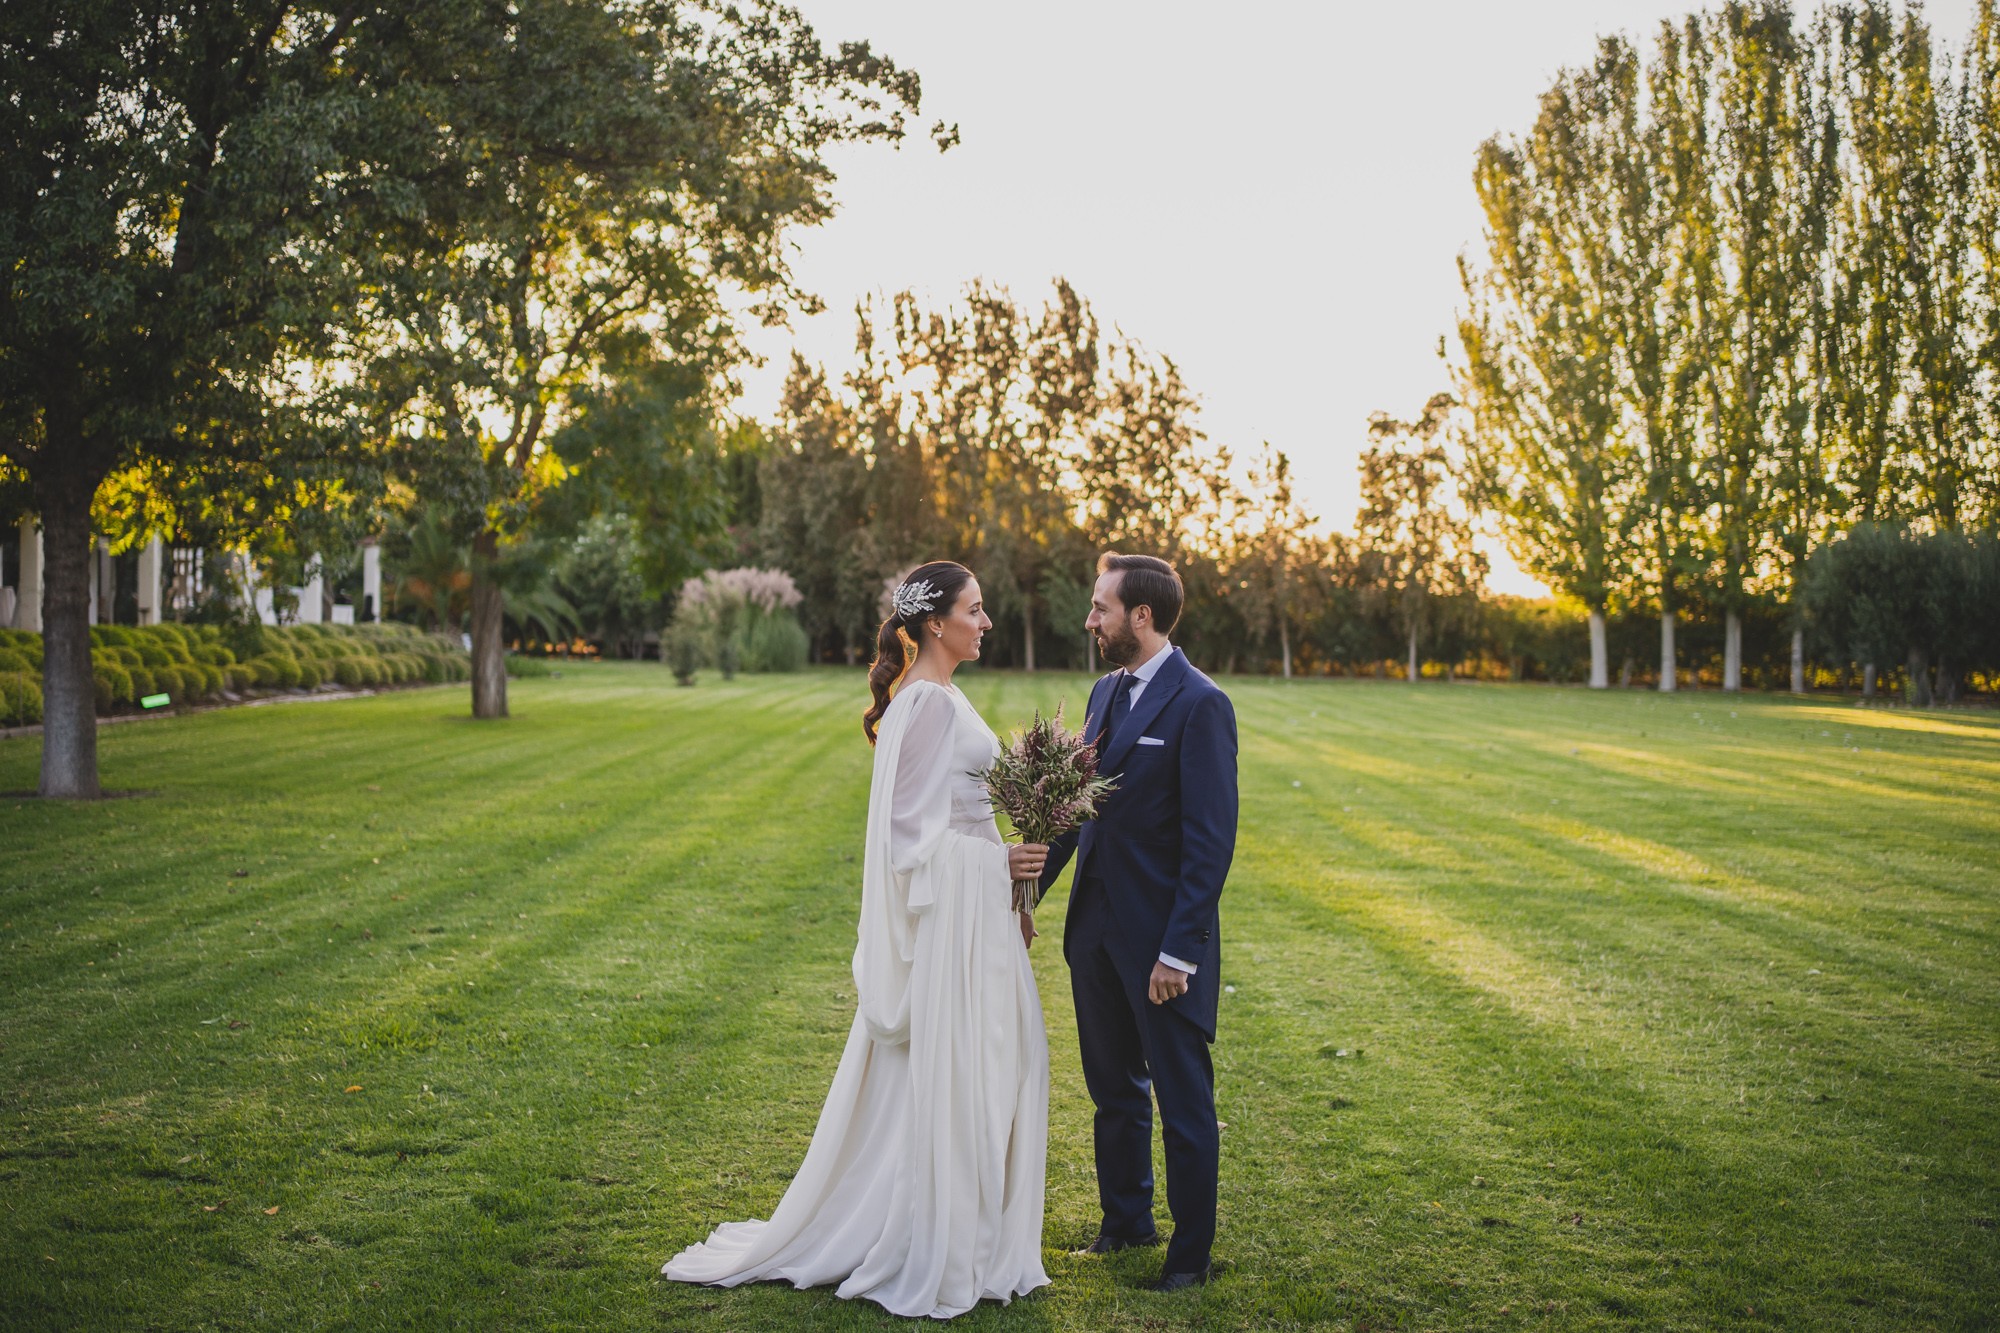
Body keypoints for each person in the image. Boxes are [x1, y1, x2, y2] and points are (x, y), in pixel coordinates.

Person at [662, 560, 1052, 1320]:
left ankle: (974, 1228)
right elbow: (911, 844)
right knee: (973, 1068)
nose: (987, 621)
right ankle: (936, 1235)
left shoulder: (943, 695)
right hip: (950, 929)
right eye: (976, 609)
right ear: (936, 622)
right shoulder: (927, 707)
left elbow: (954, 813)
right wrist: (998, 861)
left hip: (981, 919)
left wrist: (1013, 888)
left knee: (1005, 1061)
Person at [1038, 551, 1239, 1294]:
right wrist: (1023, 892)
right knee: (1113, 1089)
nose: (1090, 619)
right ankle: (1125, 1222)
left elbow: (1209, 842)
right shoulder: (1103, 689)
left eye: (1101, 608)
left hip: (1161, 946)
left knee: (1183, 1101)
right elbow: (1076, 807)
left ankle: (1189, 1256)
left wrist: (1180, 951)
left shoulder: (1200, 703)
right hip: (1093, 933)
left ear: (1142, 617)